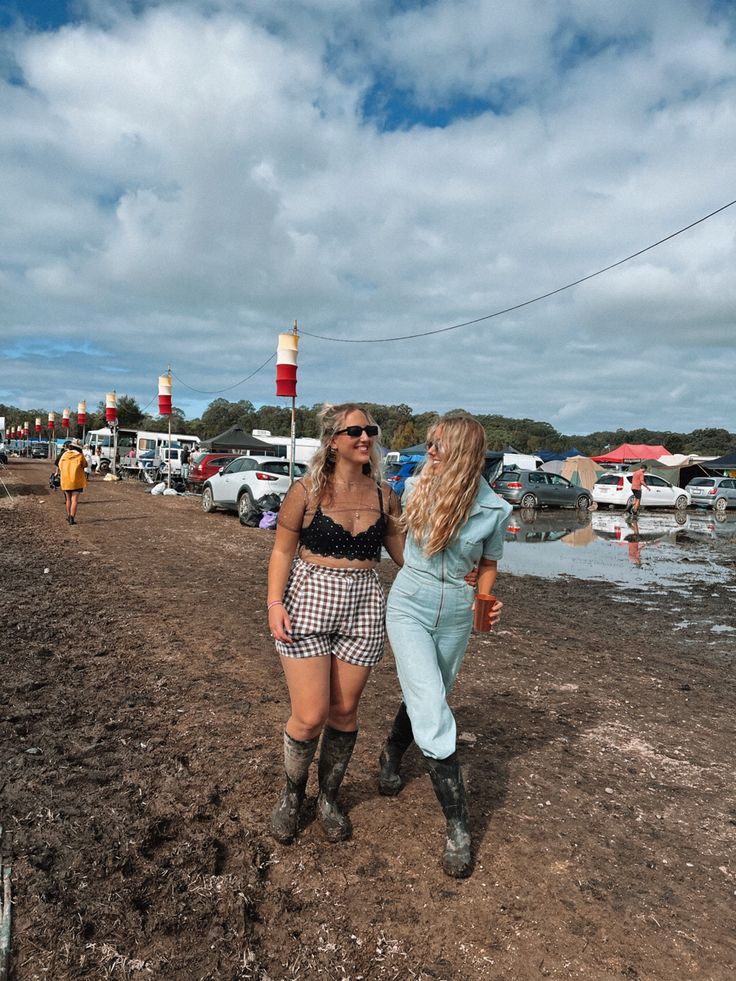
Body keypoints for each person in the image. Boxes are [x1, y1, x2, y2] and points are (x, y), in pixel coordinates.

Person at [379, 412, 511, 879]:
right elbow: (392, 533)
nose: (428, 451)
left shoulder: (495, 510)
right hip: (410, 600)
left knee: (430, 692)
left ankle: (392, 751)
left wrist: (484, 597)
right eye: (429, 443)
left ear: (462, 451)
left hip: (457, 608)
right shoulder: (416, 489)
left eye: (437, 445)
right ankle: (459, 825)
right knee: (432, 707)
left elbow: (490, 563)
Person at [267, 403, 404, 845]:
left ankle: (328, 797)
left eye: (370, 430)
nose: (365, 438)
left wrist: (459, 572)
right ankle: (293, 794)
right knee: (309, 716)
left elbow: (406, 558)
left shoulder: (385, 495)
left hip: (364, 602)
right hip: (309, 598)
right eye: (354, 431)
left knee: (344, 712)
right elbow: (282, 552)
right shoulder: (305, 491)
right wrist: (274, 603)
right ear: (332, 440)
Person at [57, 439, 88, 524]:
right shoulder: (80, 455)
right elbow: (85, 465)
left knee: (68, 500)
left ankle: (68, 516)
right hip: (77, 481)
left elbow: (59, 465)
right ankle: (72, 518)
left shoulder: (64, 455)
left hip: (66, 480)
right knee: (74, 500)